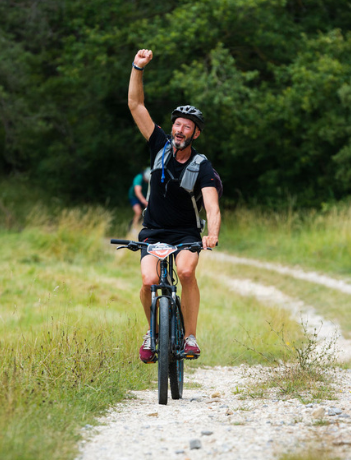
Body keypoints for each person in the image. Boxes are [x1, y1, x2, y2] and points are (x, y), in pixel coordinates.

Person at [128, 48, 221, 363]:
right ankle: (151, 333)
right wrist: (137, 68)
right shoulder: (159, 147)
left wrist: (212, 234)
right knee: (148, 280)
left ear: (195, 133)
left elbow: (212, 206)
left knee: (185, 271)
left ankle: (190, 336)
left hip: (185, 234)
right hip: (153, 231)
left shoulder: (201, 165)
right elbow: (135, 104)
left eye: (187, 126)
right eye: (177, 124)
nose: (180, 129)